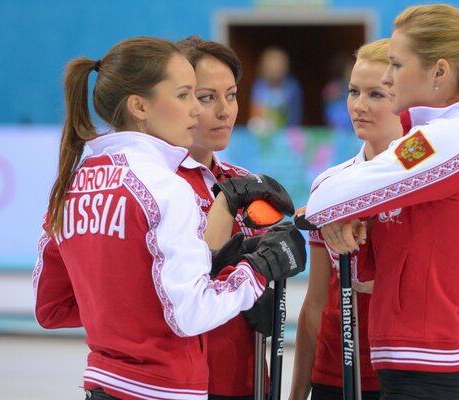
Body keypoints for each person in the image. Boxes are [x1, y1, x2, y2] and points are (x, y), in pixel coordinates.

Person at [32, 37, 307, 400]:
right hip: (172, 383)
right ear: (139, 106)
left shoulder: (75, 179)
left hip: (132, 380)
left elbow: (53, 305)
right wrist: (251, 274)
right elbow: (188, 311)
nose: (206, 110)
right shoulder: (165, 186)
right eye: (192, 95)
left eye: (231, 94)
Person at [302, 4, 459, 399]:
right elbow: (368, 265)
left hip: (430, 368)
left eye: (396, 65)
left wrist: (334, 215)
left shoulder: (442, 139)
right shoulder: (448, 133)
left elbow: (325, 200)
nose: (389, 77)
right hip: (422, 361)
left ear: (439, 72)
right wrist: (347, 219)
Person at [289, 38, 402, 400]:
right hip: (335, 375)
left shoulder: (429, 180)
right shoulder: (331, 184)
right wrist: (296, 393)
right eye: (354, 92)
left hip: (406, 374)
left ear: (404, 98)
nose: (358, 106)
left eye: (376, 95)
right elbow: (316, 301)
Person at [176, 35, 277, 399]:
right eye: (207, 97)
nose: (225, 110)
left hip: (247, 377)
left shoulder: (242, 180)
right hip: (187, 380)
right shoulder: (157, 184)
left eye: (231, 95)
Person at [248, 47, 304, 135]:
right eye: (271, 69)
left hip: (287, 133)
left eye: (278, 70)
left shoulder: (292, 87)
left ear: (285, 69)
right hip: (264, 133)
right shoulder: (259, 86)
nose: (274, 73)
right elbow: (255, 113)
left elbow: (296, 114)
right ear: (264, 69)